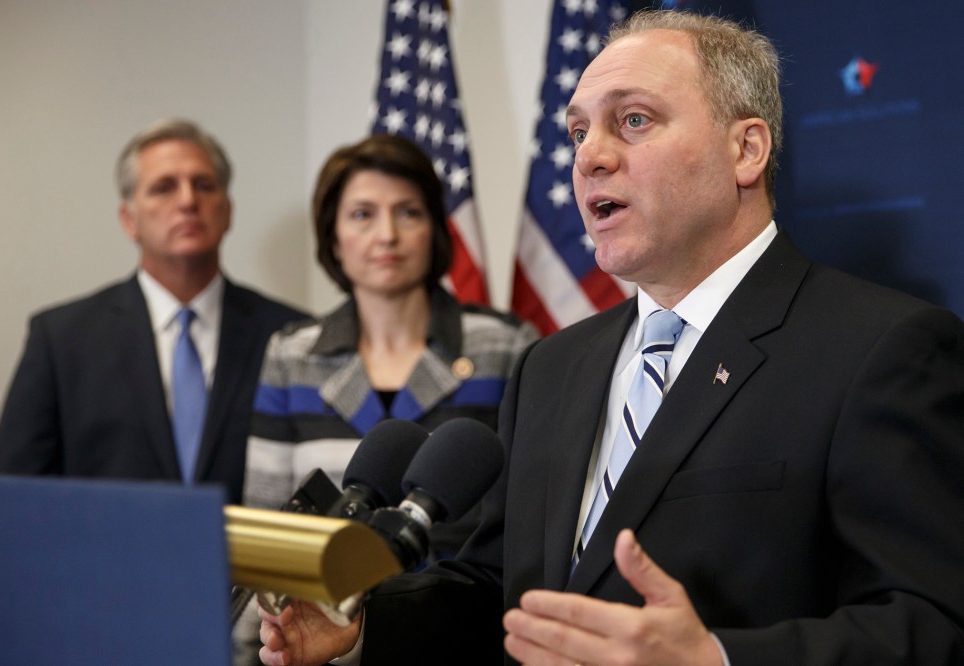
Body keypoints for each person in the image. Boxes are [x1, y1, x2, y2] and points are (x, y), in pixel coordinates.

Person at [258, 9, 964, 666]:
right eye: (578, 132)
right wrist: (364, 627)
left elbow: (934, 623)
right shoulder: (552, 365)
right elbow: (503, 595)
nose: (589, 156)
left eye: (633, 120)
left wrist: (716, 659)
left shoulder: (882, 349)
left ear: (746, 150)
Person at [242, 133, 539, 556]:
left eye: (408, 213)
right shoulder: (292, 355)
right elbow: (267, 527)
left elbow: (531, 512)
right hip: (327, 595)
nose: (387, 235)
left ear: (434, 230)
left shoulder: (503, 346)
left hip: (464, 595)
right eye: (362, 214)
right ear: (333, 238)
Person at [0, 118, 309, 505]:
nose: (188, 201)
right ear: (129, 220)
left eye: (204, 185)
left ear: (227, 211)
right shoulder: (61, 340)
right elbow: (11, 499)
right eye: (164, 187)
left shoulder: (291, 336)